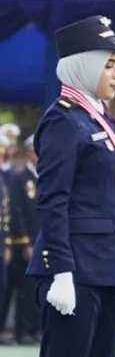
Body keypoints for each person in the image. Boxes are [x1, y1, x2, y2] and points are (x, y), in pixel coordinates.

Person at [26, 14, 115, 357]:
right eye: (108, 64)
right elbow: (54, 201)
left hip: (109, 266)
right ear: (82, 64)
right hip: (76, 269)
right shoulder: (63, 119)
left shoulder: (102, 120)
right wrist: (61, 270)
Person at [4, 134, 40, 345]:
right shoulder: (20, 176)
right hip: (21, 243)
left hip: (40, 240)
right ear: (29, 152)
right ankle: (21, 331)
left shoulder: (42, 176)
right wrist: (26, 240)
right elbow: (16, 210)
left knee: (35, 289)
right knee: (23, 289)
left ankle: (33, 329)